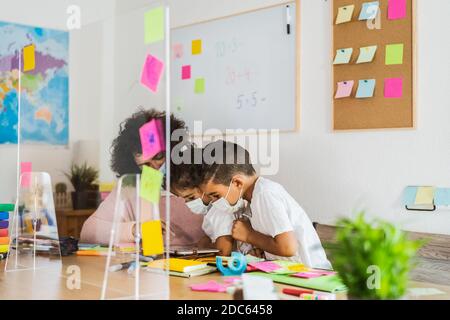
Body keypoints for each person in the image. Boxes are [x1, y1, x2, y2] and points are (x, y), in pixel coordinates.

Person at [80, 109, 208, 247]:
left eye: (158, 157)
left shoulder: (200, 177)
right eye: (145, 164)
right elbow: (89, 232)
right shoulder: (134, 186)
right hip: (156, 264)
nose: (155, 168)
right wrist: (135, 229)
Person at [199, 140, 332, 269]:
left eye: (215, 195)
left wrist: (249, 235)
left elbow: (288, 247)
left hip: (313, 277)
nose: (213, 201)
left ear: (237, 183)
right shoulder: (252, 200)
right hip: (292, 274)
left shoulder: (264, 194)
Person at [170, 145, 234, 255]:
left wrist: (204, 246)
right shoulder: (211, 212)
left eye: (191, 198)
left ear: (203, 185)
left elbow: (224, 251)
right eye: (185, 200)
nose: (188, 204)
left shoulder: (219, 210)